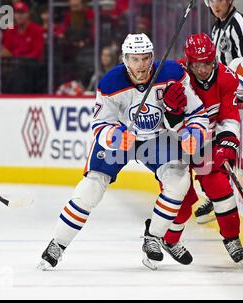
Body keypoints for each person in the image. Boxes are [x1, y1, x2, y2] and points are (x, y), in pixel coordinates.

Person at [38, 33, 209, 271]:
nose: (141, 66)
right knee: (91, 188)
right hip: (120, 141)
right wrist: (115, 136)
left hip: (155, 139)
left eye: (145, 58)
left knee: (179, 182)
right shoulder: (110, 83)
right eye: (135, 59)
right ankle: (58, 244)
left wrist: (195, 134)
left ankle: (154, 237)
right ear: (124, 59)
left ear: (152, 57)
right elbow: (99, 126)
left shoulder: (172, 74)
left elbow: (197, 114)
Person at [161, 33, 243, 265]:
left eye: (208, 63)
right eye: (198, 65)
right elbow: (161, 121)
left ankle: (232, 239)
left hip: (206, 142)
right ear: (188, 63)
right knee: (181, 200)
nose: (203, 70)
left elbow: (229, 117)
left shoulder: (227, 79)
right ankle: (166, 239)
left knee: (219, 186)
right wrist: (170, 111)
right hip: (174, 144)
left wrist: (227, 143)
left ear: (215, 59)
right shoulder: (173, 77)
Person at [204, 0, 243, 66]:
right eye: (212, 1)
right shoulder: (215, 28)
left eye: (220, 0)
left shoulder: (240, 24)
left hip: (237, 76)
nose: (215, 5)